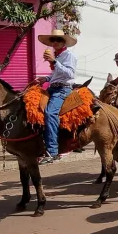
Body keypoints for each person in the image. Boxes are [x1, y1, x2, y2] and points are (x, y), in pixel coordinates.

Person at [35, 29, 78, 164]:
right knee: (35, 111)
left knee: (50, 113)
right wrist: (46, 78)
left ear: (63, 42)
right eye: (53, 40)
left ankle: (52, 151)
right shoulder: (57, 56)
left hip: (63, 89)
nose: (55, 42)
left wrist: (54, 62)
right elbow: (56, 75)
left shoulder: (69, 55)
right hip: (52, 88)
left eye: (58, 40)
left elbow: (70, 74)